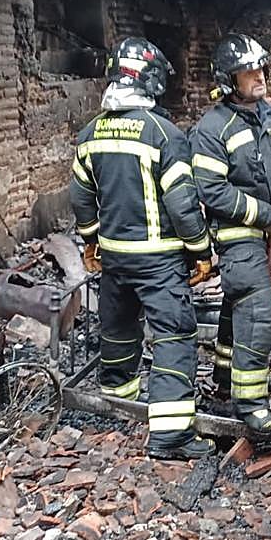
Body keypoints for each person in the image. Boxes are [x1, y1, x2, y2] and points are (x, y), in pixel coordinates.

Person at [70, 37, 215, 460]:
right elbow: (183, 205)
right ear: (149, 81)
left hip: (115, 257)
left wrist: (92, 240)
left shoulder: (89, 134)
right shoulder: (163, 135)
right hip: (159, 261)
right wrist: (201, 251)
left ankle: (117, 405)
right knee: (173, 336)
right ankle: (170, 436)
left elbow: (81, 198)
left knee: (118, 328)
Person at [190, 34, 271, 439]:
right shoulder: (212, 128)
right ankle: (252, 409)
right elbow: (212, 191)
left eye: (262, 67)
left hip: (263, 238)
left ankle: (225, 382)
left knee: (236, 309)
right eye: (249, 71)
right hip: (237, 238)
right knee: (259, 314)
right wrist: (266, 217)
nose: (259, 76)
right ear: (229, 80)